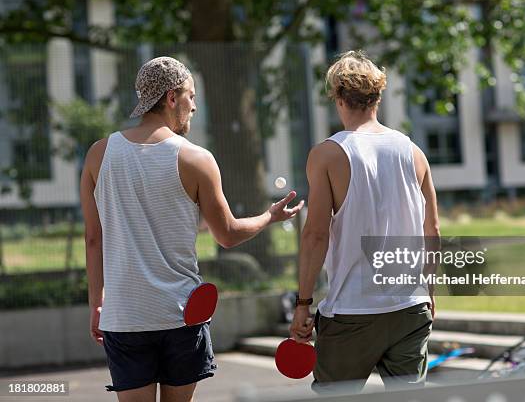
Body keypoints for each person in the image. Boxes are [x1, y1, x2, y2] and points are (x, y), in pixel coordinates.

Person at [80, 56, 303, 402]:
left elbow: (94, 239)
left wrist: (97, 302)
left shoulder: (98, 154)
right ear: (171, 97)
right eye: (191, 96)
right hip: (180, 314)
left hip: (125, 316)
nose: (195, 107)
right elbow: (227, 234)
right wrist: (268, 218)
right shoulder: (196, 159)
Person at [289, 50, 440, 393]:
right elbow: (432, 231)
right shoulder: (414, 152)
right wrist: (428, 291)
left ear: (338, 97)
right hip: (410, 307)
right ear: (378, 96)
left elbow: (315, 235)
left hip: (351, 311)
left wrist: (303, 304)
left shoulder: (327, 154)